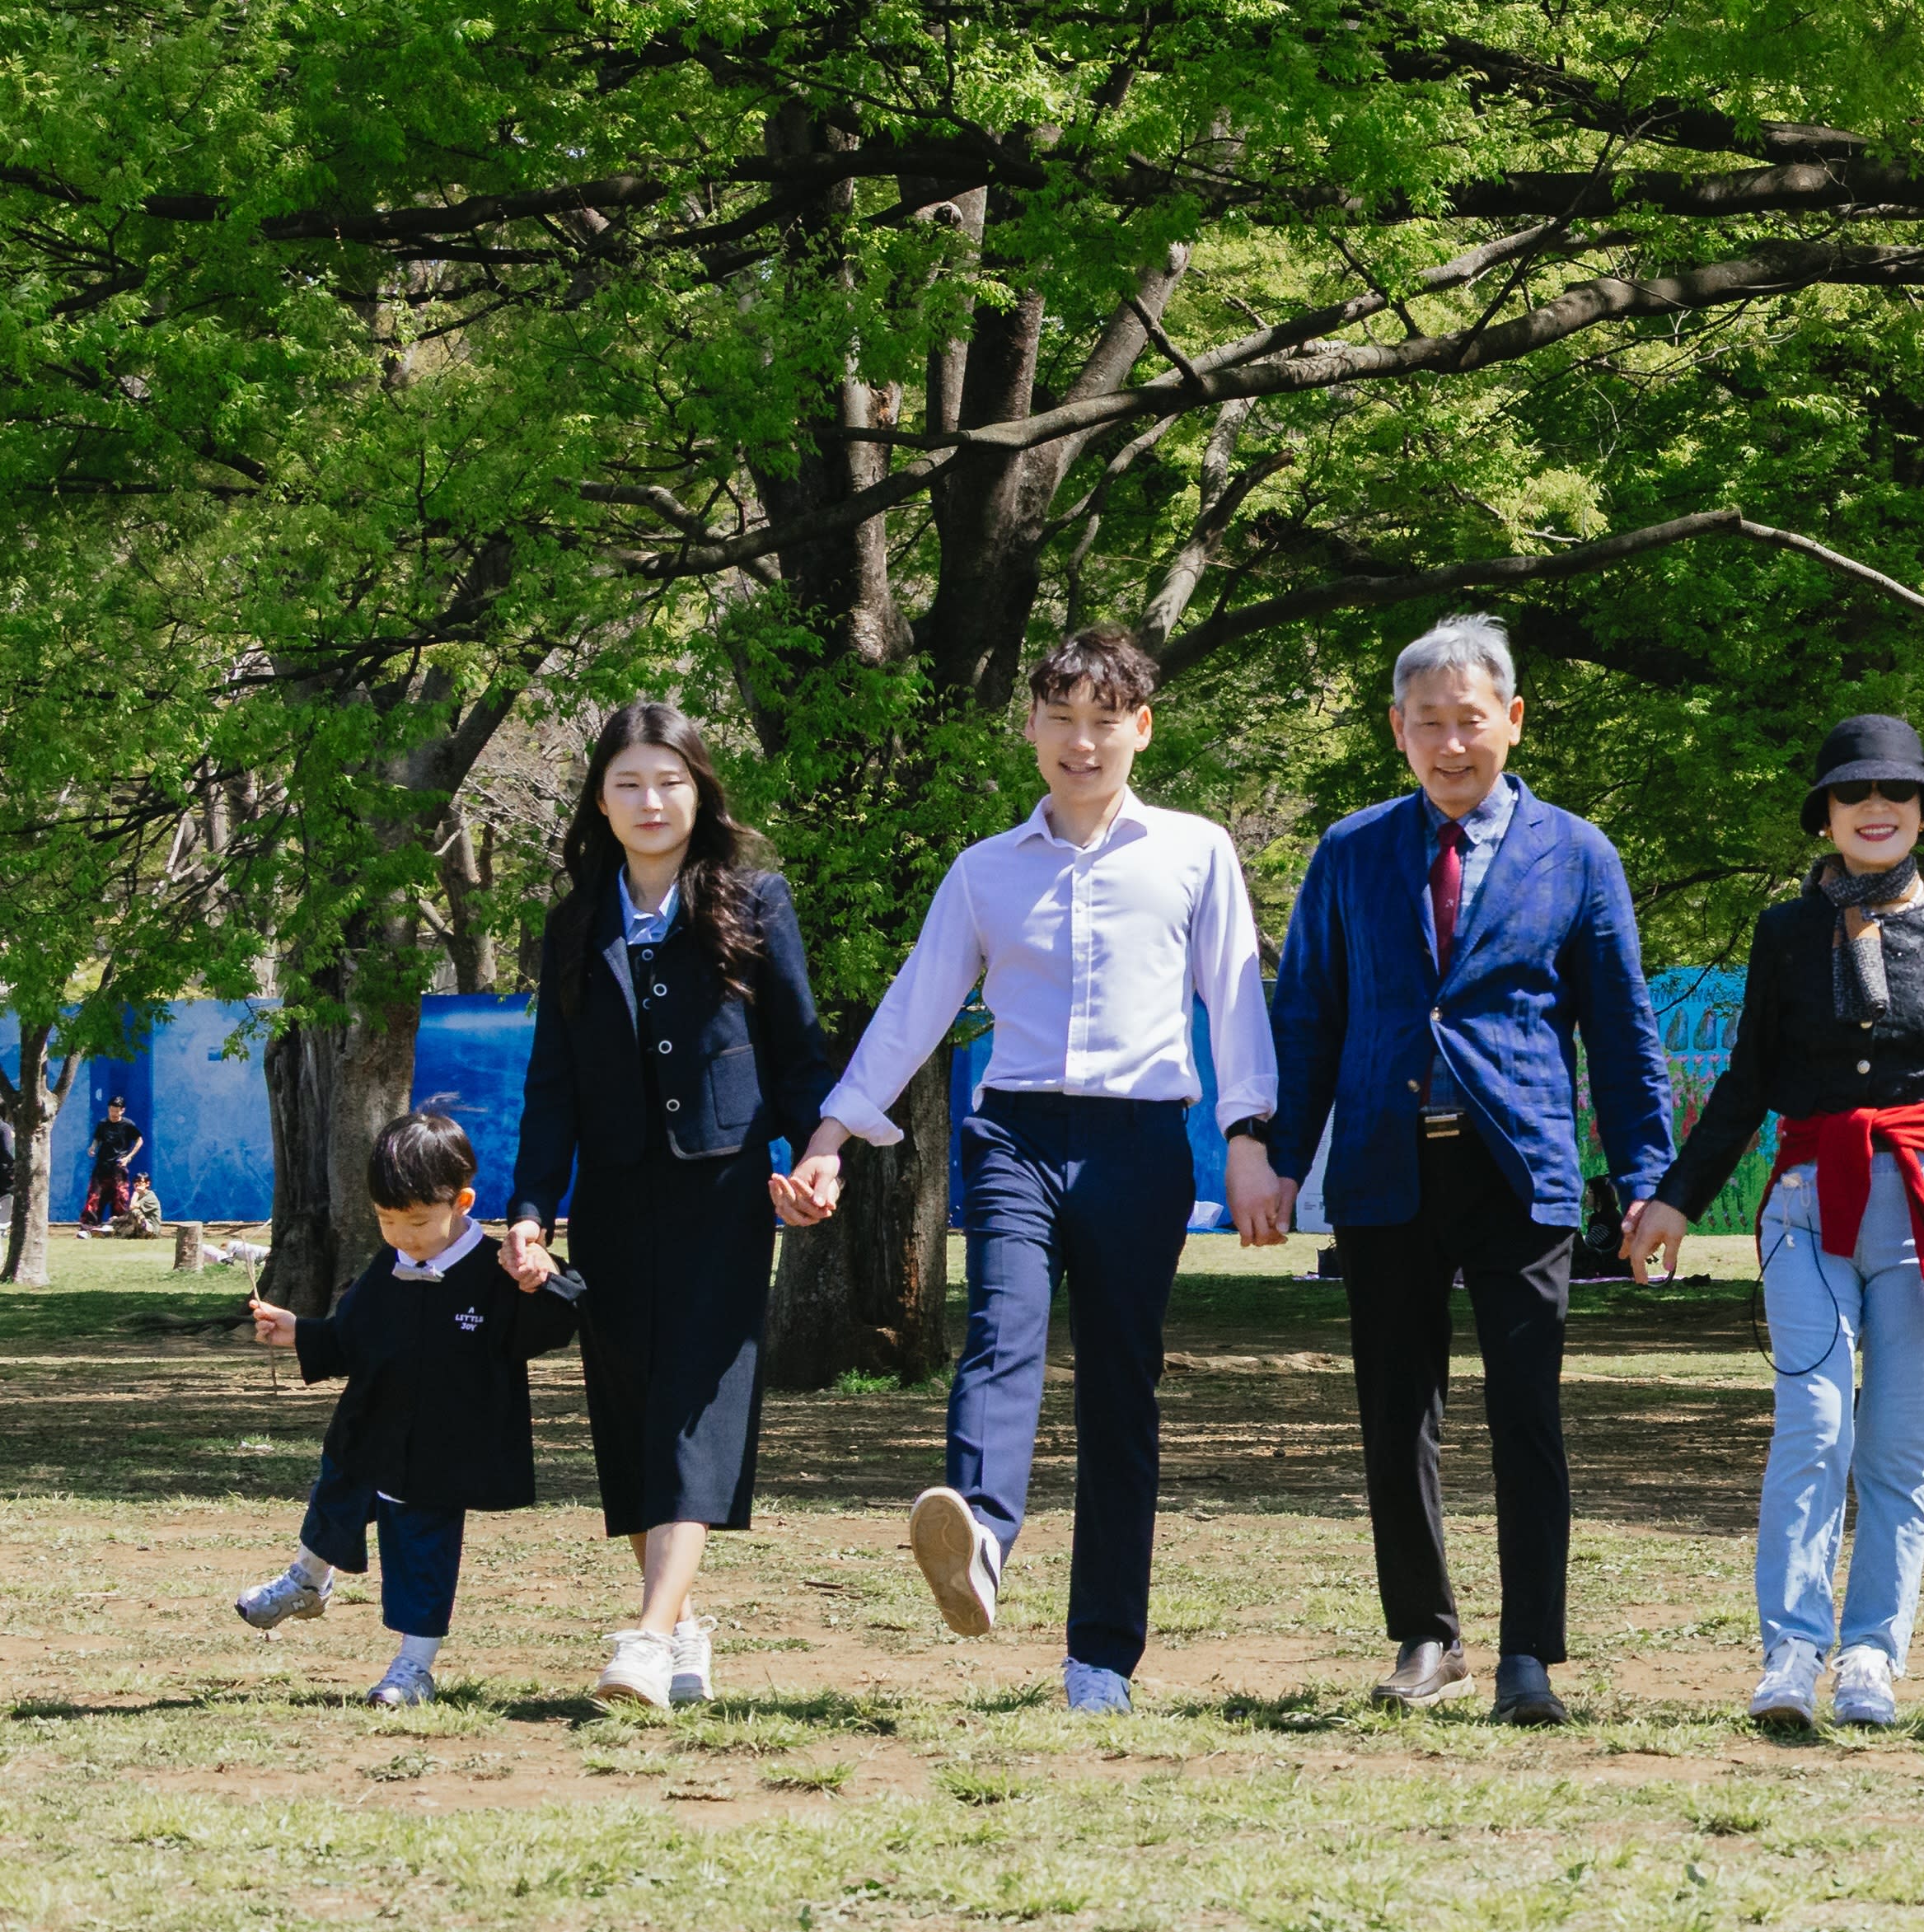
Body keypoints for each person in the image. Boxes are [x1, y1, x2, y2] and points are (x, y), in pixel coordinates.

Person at [776, 625, 1273, 1718]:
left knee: (1120, 1390)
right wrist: (830, 1135)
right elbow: (916, 1003)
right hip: (1014, 1134)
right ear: (1033, 728)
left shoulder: (1195, 853)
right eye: (1061, 718)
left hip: (1141, 1142)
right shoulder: (985, 871)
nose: (1081, 741)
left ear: (1142, 728)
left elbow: (1236, 997)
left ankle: (1101, 1657)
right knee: (1002, 1330)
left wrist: (1249, 1134)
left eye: (1104, 720)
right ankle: (982, 1539)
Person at [1627, 714, 1924, 1733]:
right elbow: (1746, 1082)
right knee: (1813, 1424)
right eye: (1854, 793)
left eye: (1897, 792)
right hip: (1807, 1203)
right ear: (1827, 814)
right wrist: (1676, 1195)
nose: (1876, 807)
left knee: (1895, 1447)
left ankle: (1871, 1656)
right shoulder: (1782, 932)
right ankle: (1790, 1652)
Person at [1237, 616, 1676, 1727]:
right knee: (1397, 1413)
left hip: (1520, 1169)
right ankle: (1426, 1635)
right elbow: (1308, 1017)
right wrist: (1280, 1157)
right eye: (1427, 722)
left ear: (1512, 720)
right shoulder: (1350, 850)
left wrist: (1647, 1178)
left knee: (1527, 1411)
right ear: (1398, 730)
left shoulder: (1577, 852)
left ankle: (1529, 1652)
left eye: (1469, 719)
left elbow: (1622, 1031)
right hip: (1384, 1169)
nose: (1450, 743)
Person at [503, 703, 826, 1714]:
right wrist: (529, 1209)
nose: (652, 800)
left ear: (700, 790)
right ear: (600, 801)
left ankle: (644, 1638)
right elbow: (551, 1084)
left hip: (723, 1196)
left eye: (670, 780)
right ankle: (682, 1626)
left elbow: (798, 1053)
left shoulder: (755, 900)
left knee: (693, 1407)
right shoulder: (572, 924)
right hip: (610, 1203)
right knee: (635, 1417)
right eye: (629, 783)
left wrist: (818, 1160)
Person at [232, 1104, 583, 1706]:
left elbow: (560, 1318)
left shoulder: (497, 1270)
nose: (401, 1236)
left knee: (422, 1551)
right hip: (370, 1428)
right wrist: (300, 1332)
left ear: (462, 1203)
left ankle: (414, 1667)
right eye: (386, 1220)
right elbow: (354, 1337)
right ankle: (307, 1580)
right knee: (337, 1494)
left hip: (444, 1451)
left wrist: (542, 1279)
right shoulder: (388, 1264)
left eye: (416, 1222)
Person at [82, 1098, 141, 1232]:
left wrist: (129, 1157)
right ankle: (89, 1227)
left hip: (118, 1166)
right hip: (102, 1165)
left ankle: (119, 1227)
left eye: (117, 1111)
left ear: (122, 1110)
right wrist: (93, 1147)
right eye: (112, 1110)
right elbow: (97, 1139)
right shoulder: (102, 1124)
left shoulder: (128, 1125)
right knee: (94, 1196)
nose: (114, 1114)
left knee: (120, 1198)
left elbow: (139, 1140)